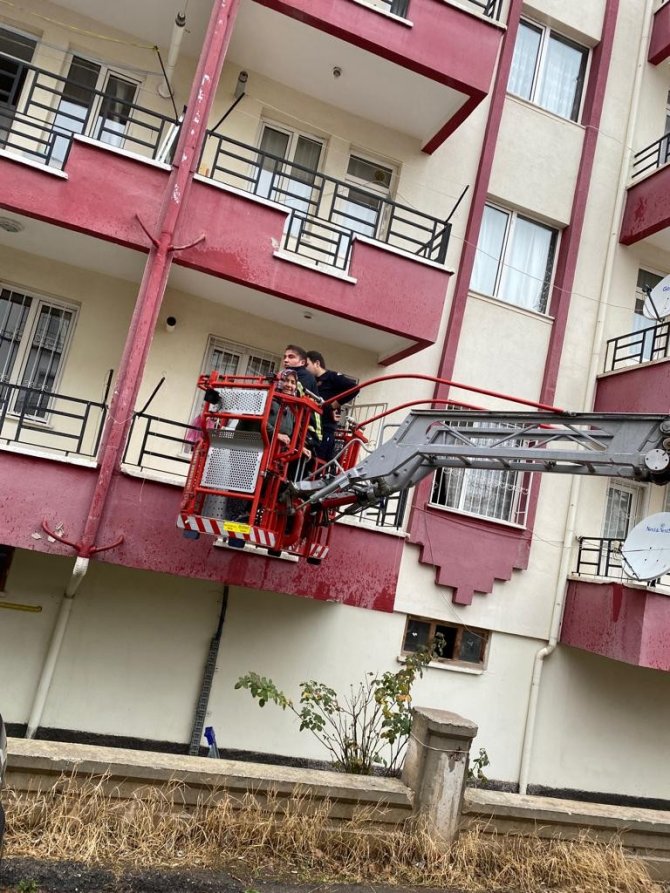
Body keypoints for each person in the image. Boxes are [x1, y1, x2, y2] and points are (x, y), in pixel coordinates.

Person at [305, 350, 359, 461]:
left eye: (307, 365)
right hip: (312, 427)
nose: (305, 368)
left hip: (326, 428)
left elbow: (354, 388)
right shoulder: (311, 381)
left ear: (317, 363)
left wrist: (333, 406)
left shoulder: (332, 376)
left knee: (320, 461)